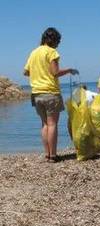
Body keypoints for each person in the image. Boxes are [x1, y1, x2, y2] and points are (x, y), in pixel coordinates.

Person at [24, 27, 79, 162]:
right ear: (52, 40)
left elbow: (26, 72)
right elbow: (55, 72)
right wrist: (69, 70)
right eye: (58, 41)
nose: (58, 43)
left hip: (36, 93)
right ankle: (53, 156)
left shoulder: (34, 53)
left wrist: (39, 73)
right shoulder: (51, 52)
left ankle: (47, 154)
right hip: (50, 92)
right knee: (52, 124)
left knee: (44, 124)